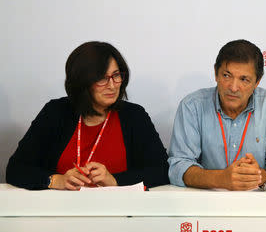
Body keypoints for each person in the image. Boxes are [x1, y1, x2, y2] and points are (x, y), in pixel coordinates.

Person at [6, 41, 169, 190]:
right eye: (102, 78)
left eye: (116, 75)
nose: (112, 85)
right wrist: (57, 180)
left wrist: (114, 180)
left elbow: (162, 170)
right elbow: (16, 170)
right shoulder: (55, 112)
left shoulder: (134, 116)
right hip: (61, 211)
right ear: (81, 82)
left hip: (119, 212)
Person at [168, 39, 266, 190]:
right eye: (227, 76)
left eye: (244, 79)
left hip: (258, 201)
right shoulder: (192, 106)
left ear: (257, 82)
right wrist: (220, 179)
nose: (233, 87)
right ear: (216, 73)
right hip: (205, 202)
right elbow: (179, 166)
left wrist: (260, 177)